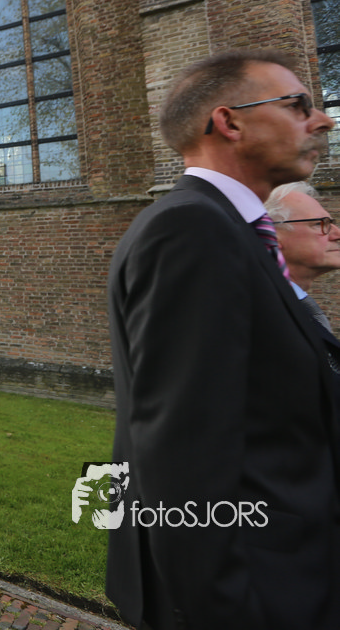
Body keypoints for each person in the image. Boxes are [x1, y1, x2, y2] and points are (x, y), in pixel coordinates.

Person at [106, 49, 340, 628]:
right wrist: (224, 610)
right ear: (229, 122)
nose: (322, 120)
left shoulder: (233, 230)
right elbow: (182, 454)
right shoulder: (192, 228)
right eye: (298, 105)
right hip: (259, 590)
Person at [266, 181, 340, 337]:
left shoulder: (297, 308)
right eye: (319, 224)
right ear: (272, 236)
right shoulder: (263, 313)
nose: (337, 234)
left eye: (331, 223)